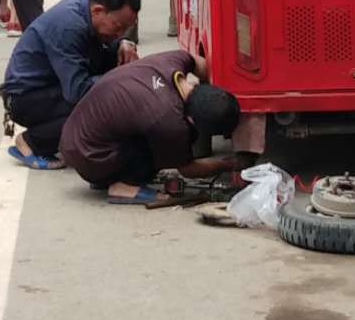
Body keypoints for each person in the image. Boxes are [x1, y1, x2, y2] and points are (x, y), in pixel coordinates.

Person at [61, 50, 245, 206]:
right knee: (168, 146)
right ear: (192, 119)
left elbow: (200, 63)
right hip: (89, 156)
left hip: (77, 135)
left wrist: (216, 99)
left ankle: (109, 174)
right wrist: (227, 165)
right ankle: (124, 186)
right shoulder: (168, 119)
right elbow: (188, 169)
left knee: (143, 128)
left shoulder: (173, 62)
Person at [0, 0, 141, 168]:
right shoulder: (68, 27)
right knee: (104, 104)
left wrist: (124, 43)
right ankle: (32, 142)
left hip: (51, 83)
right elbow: (78, 90)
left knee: (118, 64)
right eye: (118, 26)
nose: (120, 33)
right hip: (25, 98)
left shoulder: (90, 4)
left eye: (126, 29)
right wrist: (119, 85)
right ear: (98, 11)